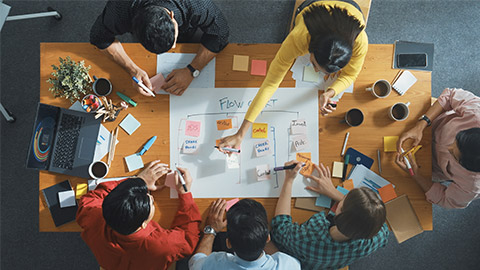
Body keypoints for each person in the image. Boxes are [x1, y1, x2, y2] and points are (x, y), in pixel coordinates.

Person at [218, 0, 367, 152]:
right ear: (311, 49)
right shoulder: (298, 38)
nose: (316, 72)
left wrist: (331, 91)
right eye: (315, 65)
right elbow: (270, 83)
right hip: (315, 6)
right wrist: (241, 133)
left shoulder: (360, 42)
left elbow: (350, 74)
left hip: (351, 13)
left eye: (323, 71)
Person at [76, 161, 201, 270]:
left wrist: (139, 182)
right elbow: (189, 239)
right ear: (143, 224)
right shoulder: (163, 245)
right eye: (151, 202)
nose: (151, 196)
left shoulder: (94, 218)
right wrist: (185, 194)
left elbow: (89, 199)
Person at [90, 0, 229, 96]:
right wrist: (132, 69)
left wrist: (192, 70)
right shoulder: (120, 8)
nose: (174, 47)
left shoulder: (196, 5)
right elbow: (99, 36)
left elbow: (221, 32)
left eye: (172, 42)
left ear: (171, 16)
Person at [270, 160, 389, 269]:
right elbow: (381, 227)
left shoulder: (311, 236)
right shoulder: (372, 240)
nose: (342, 196)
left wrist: (289, 180)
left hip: (301, 261)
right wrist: (335, 194)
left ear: (339, 210)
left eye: (344, 198)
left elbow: (280, 228)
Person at [396, 88, 480, 209]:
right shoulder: (477, 113)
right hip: (431, 122)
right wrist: (421, 124)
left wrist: (416, 175)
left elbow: (445, 199)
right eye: (456, 139)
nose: (448, 147)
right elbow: (450, 95)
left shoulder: (472, 186)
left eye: (453, 154)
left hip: (431, 168)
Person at [188, 198, 301, 270]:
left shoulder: (215, 263)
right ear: (268, 238)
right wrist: (257, 233)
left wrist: (211, 230)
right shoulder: (288, 264)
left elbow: (195, 263)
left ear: (228, 243)